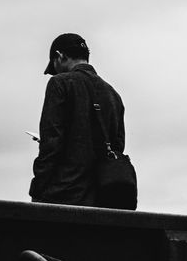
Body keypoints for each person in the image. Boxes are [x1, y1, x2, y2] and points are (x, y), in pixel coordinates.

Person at [30, 33, 128, 207]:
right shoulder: (114, 95)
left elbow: (51, 144)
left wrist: (37, 187)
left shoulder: (60, 84)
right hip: (102, 196)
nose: (56, 71)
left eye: (54, 65)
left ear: (60, 56)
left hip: (63, 194)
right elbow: (118, 146)